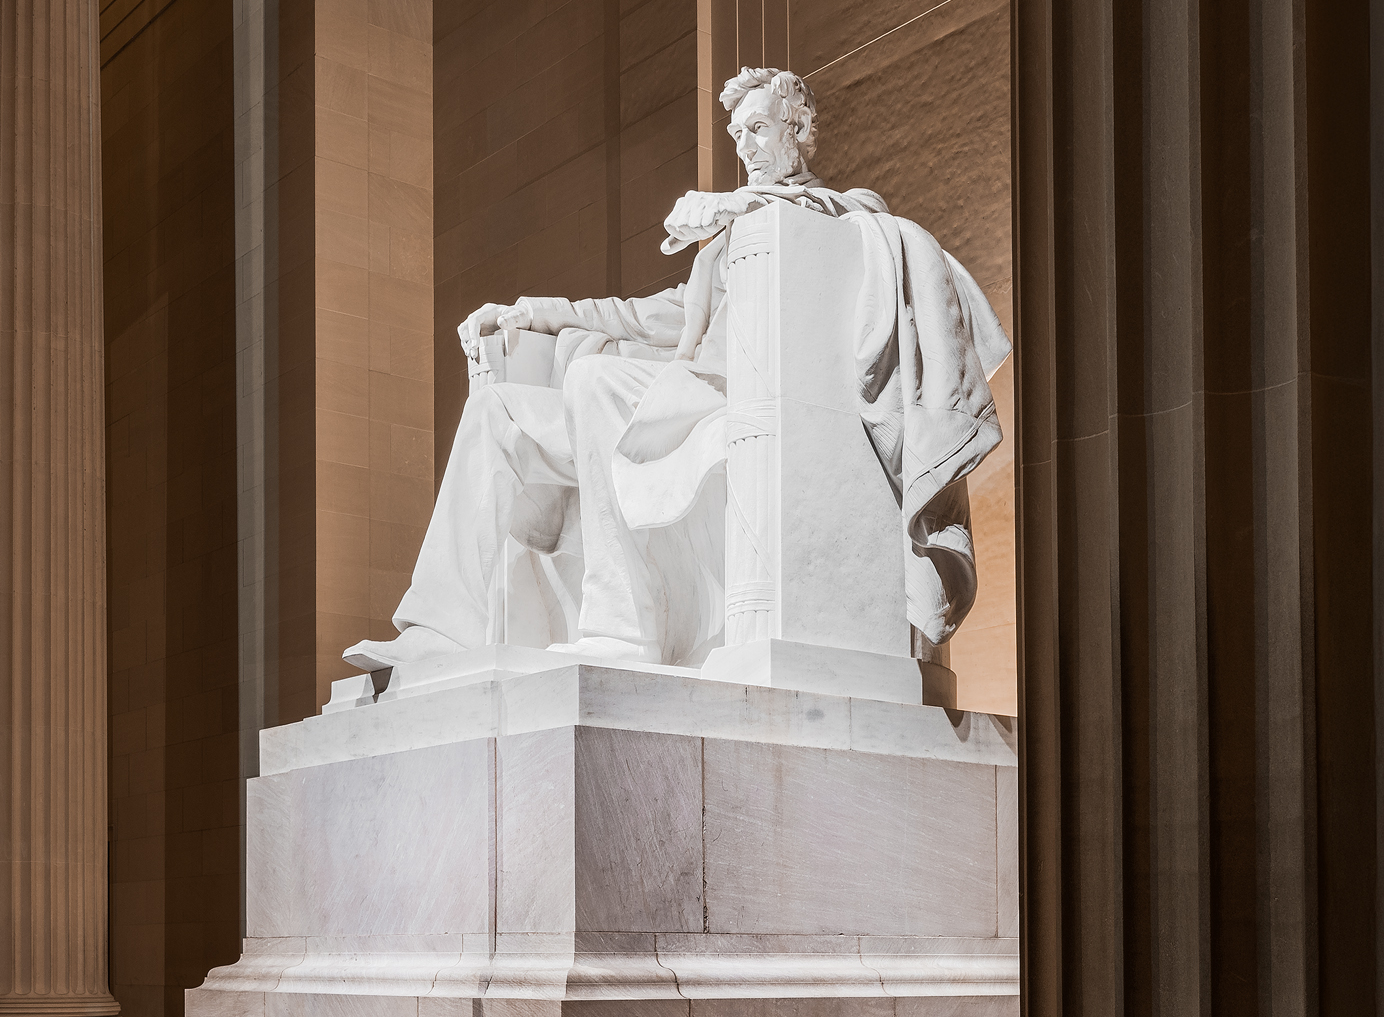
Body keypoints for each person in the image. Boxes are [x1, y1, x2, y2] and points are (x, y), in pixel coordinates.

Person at [345, 66, 1007, 675]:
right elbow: (644, 318)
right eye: (736, 135)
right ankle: (438, 628)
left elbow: (854, 223)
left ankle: (624, 626)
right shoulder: (729, 236)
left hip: (738, 408)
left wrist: (737, 207)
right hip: (674, 400)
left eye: (758, 130)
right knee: (499, 412)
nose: (745, 149)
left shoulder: (839, 215)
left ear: (799, 129)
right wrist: (530, 313)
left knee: (595, 381)